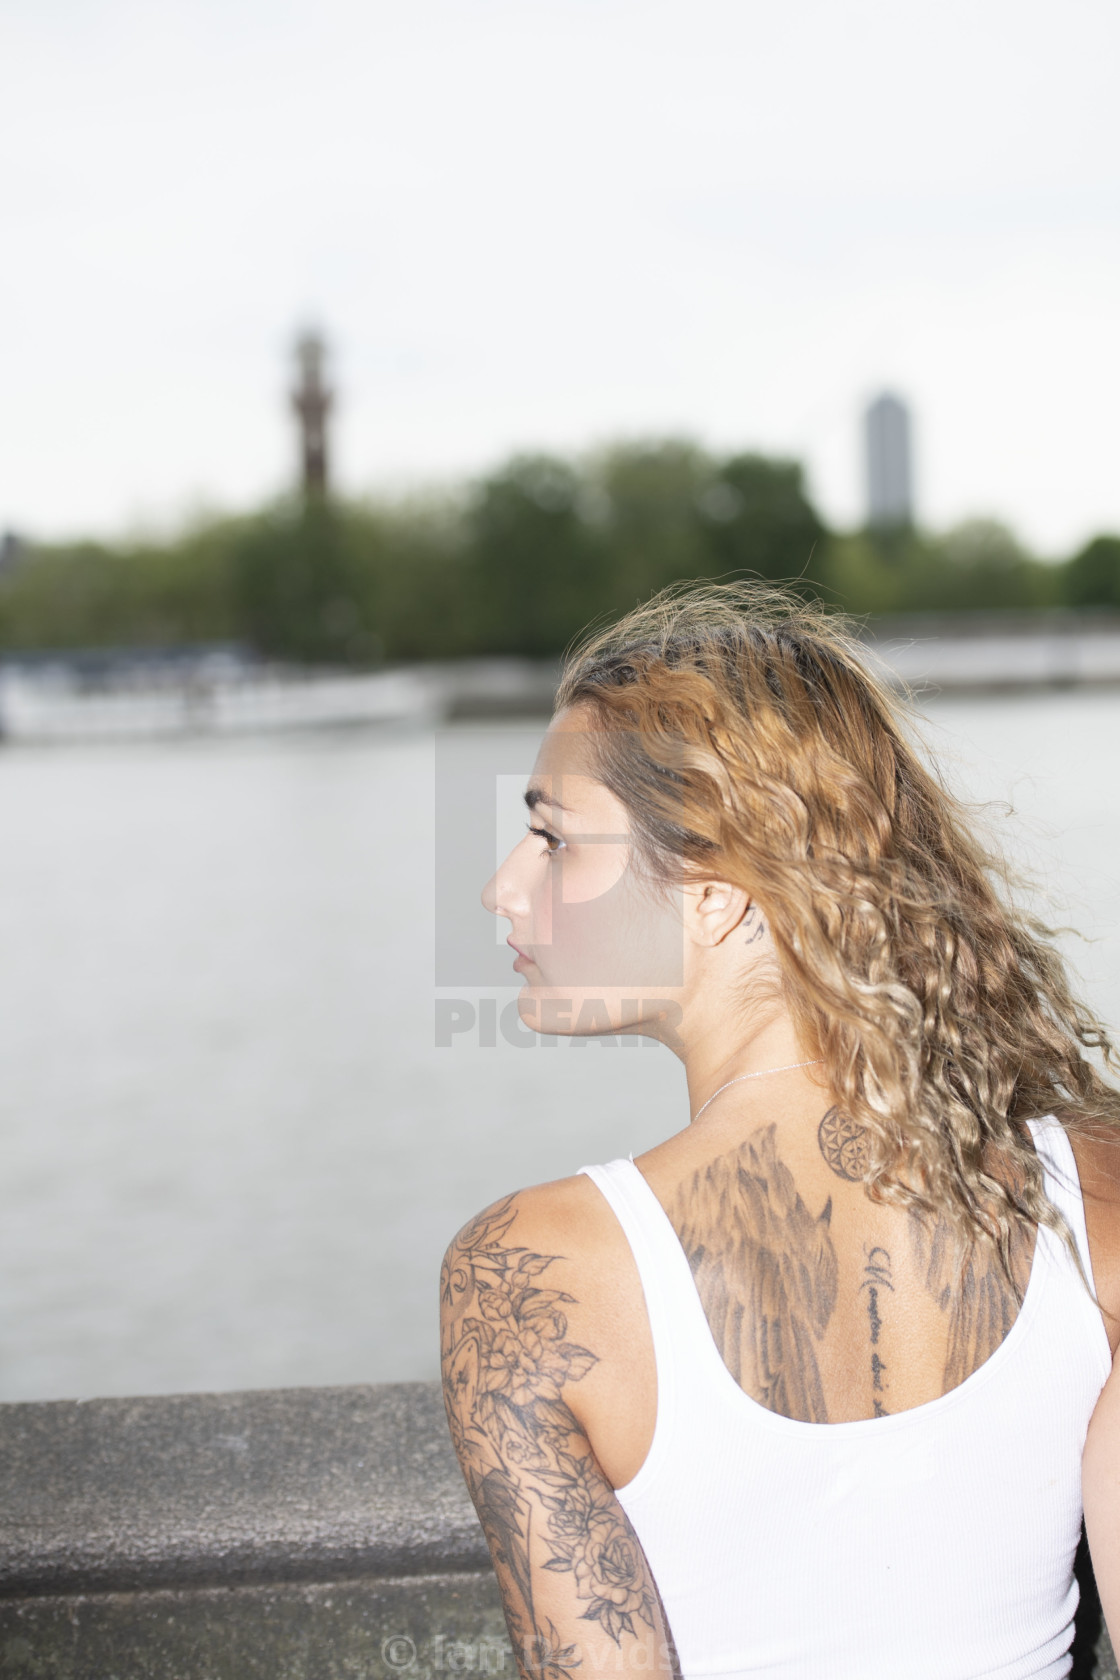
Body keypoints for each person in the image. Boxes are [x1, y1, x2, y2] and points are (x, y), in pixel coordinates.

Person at [439, 580, 1120, 1680]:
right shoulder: (1095, 1192)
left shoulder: (533, 1273)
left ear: (711, 894)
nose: (501, 889)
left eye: (551, 839)